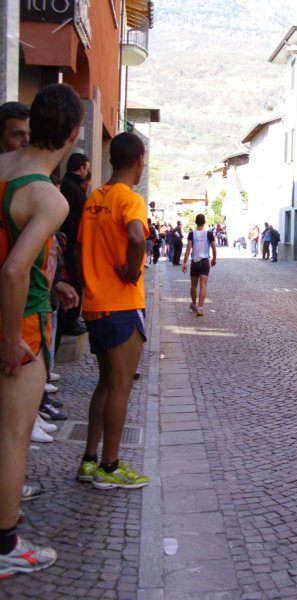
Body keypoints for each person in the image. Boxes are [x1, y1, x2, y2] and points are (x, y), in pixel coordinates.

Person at [0, 83, 83, 578]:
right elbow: (13, 270)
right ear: (73, 134)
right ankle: (6, 544)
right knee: (13, 437)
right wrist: (12, 340)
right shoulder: (48, 197)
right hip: (21, 323)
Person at [75, 131, 150, 490]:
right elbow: (137, 237)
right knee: (120, 386)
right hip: (121, 304)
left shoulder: (94, 198)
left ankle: (89, 460)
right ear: (139, 162)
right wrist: (132, 272)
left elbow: (79, 249)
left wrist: (89, 281)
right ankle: (110, 466)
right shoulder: (129, 199)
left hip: (95, 304)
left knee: (105, 383)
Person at [59, 152, 90, 336]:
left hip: (75, 241)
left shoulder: (73, 185)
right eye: (87, 167)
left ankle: (73, 319)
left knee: (78, 281)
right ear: (81, 167)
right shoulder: (69, 186)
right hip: (72, 242)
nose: (87, 172)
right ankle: (70, 322)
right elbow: (67, 215)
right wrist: (77, 234)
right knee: (75, 281)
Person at [182, 213, 217, 317]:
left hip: (195, 262)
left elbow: (188, 249)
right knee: (203, 285)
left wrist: (184, 263)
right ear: (204, 222)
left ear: (195, 222)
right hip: (205, 262)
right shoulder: (209, 234)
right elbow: (214, 248)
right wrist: (214, 259)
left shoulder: (191, 234)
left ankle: (194, 304)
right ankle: (200, 308)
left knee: (193, 285)